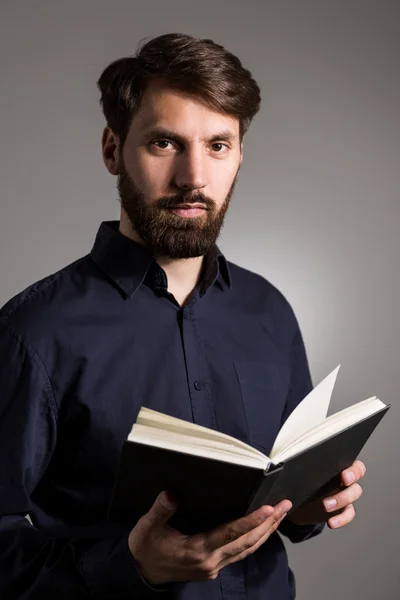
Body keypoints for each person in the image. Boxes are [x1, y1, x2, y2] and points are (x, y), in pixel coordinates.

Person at [0, 33, 366, 600]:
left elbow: (282, 494)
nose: (194, 176)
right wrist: (128, 565)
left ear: (240, 154)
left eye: (218, 145)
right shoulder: (34, 333)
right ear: (111, 148)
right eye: (166, 143)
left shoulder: (270, 311)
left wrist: (307, 506)